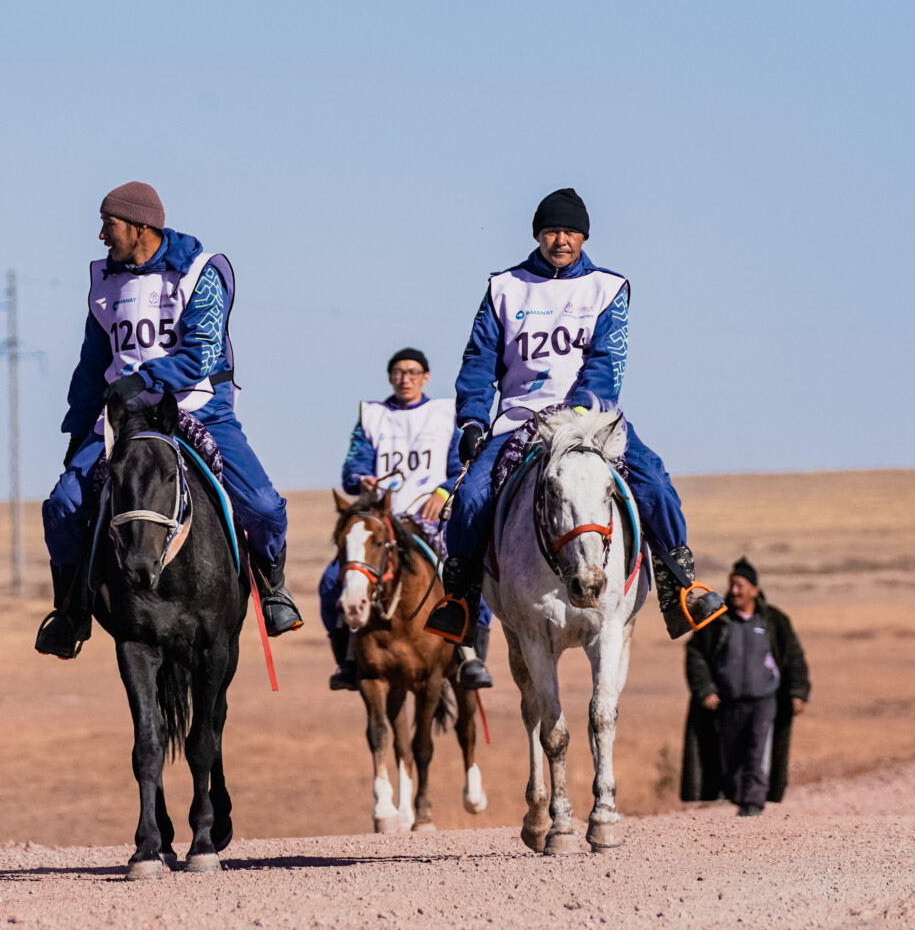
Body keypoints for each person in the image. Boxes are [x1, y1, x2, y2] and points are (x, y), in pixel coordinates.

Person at [424, 188, 728, 646]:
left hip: (590, 419)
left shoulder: (607, 288)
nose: (559, 239)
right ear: (537, 235)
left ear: (583, 236)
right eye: (550, 231)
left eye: (568, 231)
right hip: (518, 420)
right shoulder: (504, 288)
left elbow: (607, 361)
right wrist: (471, 419)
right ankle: (460, 600)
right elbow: (479, 361)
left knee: (655, 482)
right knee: (468, 498)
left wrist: (582, 410)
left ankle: (680, 586)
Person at [35, 182, 302, 657]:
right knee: (62, 507)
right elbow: (92, 364)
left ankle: (273, 587)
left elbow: (202, 352)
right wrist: (78, 431)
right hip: (121, 420)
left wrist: (142, 380)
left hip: (198, 407)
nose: (101, 235)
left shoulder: (202, 272)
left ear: (140, 227)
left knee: (263, 507)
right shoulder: (103, 282)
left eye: (108, 224)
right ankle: (70, 610)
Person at [323, 348, 493, 692]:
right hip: (383, 518)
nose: (405, 378)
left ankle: (470, 659)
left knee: (467, 575)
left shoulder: (446, 414)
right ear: (390, 377)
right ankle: (349, 661)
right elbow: (353, 465)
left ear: (425, 377)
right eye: (399, 372)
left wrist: (444, 493)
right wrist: (361, 480)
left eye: (413, 372)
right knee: (331, 581)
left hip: (431, 518)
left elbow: (462, 465)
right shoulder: (372, 415)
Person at [681, 557, 810, 815]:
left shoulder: (773, 620)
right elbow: (695, 654)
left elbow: (793, 657)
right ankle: (741, 801)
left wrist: (797, 692)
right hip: (726, 702)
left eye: (740, 586)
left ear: (755, 590)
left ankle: (752, 805)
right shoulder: (715, 619)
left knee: (757, 751)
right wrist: (705, 689)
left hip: (764, 700)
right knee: (730, 755)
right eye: (732, 585)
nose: (735, 591)